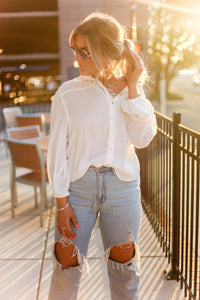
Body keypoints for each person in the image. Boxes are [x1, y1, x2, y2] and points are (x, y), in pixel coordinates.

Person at [47, 11, 157, 300]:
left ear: (106, 50)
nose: (77, 59)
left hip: (123, 191)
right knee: (65, 269)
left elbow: (143, 139)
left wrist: (132, 86)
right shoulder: (68, 94)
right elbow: (57, 151)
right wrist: (61, 202)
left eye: (84, 51)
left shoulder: (130, 94)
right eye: (76, 51)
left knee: (125, 274)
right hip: (78, 191)